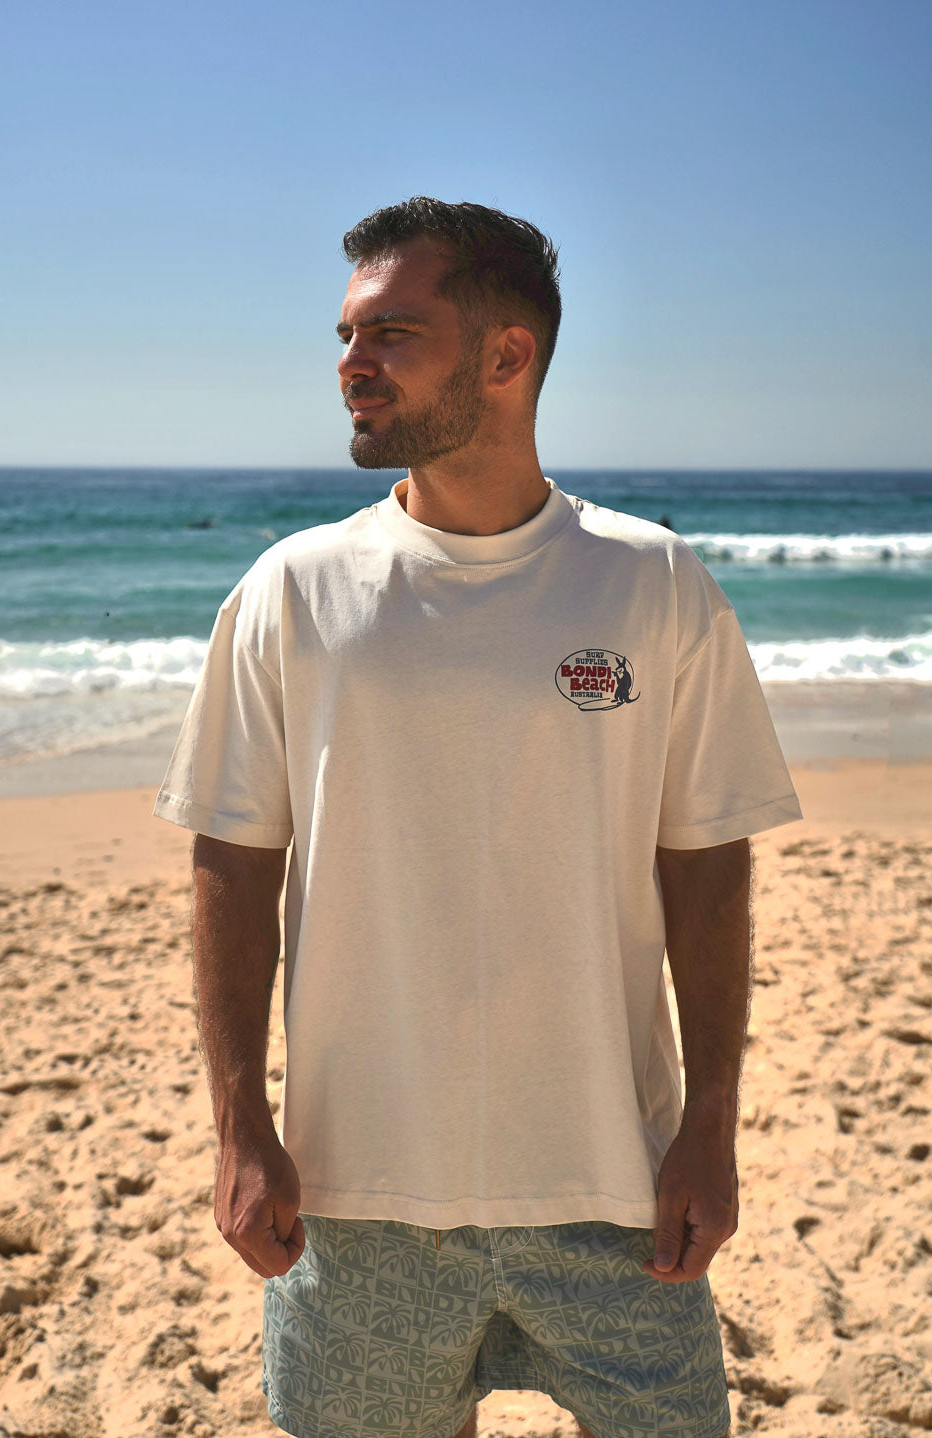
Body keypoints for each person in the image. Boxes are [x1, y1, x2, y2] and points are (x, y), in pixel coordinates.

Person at [154, 197, 802, 1438]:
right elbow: (232, 863)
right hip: (358, 1200)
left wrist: (711, 1125)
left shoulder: (653, 582)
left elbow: (708, 869)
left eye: (392, 332)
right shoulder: (293, 590)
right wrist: (240, 1127)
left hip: (616, 1186)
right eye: (348, 334)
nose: (352, 362)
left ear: (508, 354)